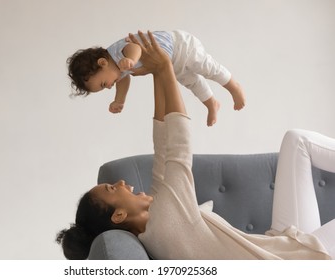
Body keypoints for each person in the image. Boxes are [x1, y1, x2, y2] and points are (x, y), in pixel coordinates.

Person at [57, 31, 335, 260]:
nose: (120, 182)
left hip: (281, 244)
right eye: (111, 189)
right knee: (298, 139)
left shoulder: (154, 224)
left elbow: (162, 146)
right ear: (118, 215)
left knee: (297, 140)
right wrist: (165, 67)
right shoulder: (165, 219)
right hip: (295, 262)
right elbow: (178, 146)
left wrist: (157, 74)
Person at [66, 30, 245, 126]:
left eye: (104, 84)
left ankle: (233, 86)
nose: (109, 86)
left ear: (103, 63)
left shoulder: (117, 52)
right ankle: (211, 103)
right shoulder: (118, 71)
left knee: (207, 67)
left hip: (181, 46)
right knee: (191, 82)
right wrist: (119, 100)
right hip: (171, 63)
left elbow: (134, 48)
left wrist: (132, 60)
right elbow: (123, 81)